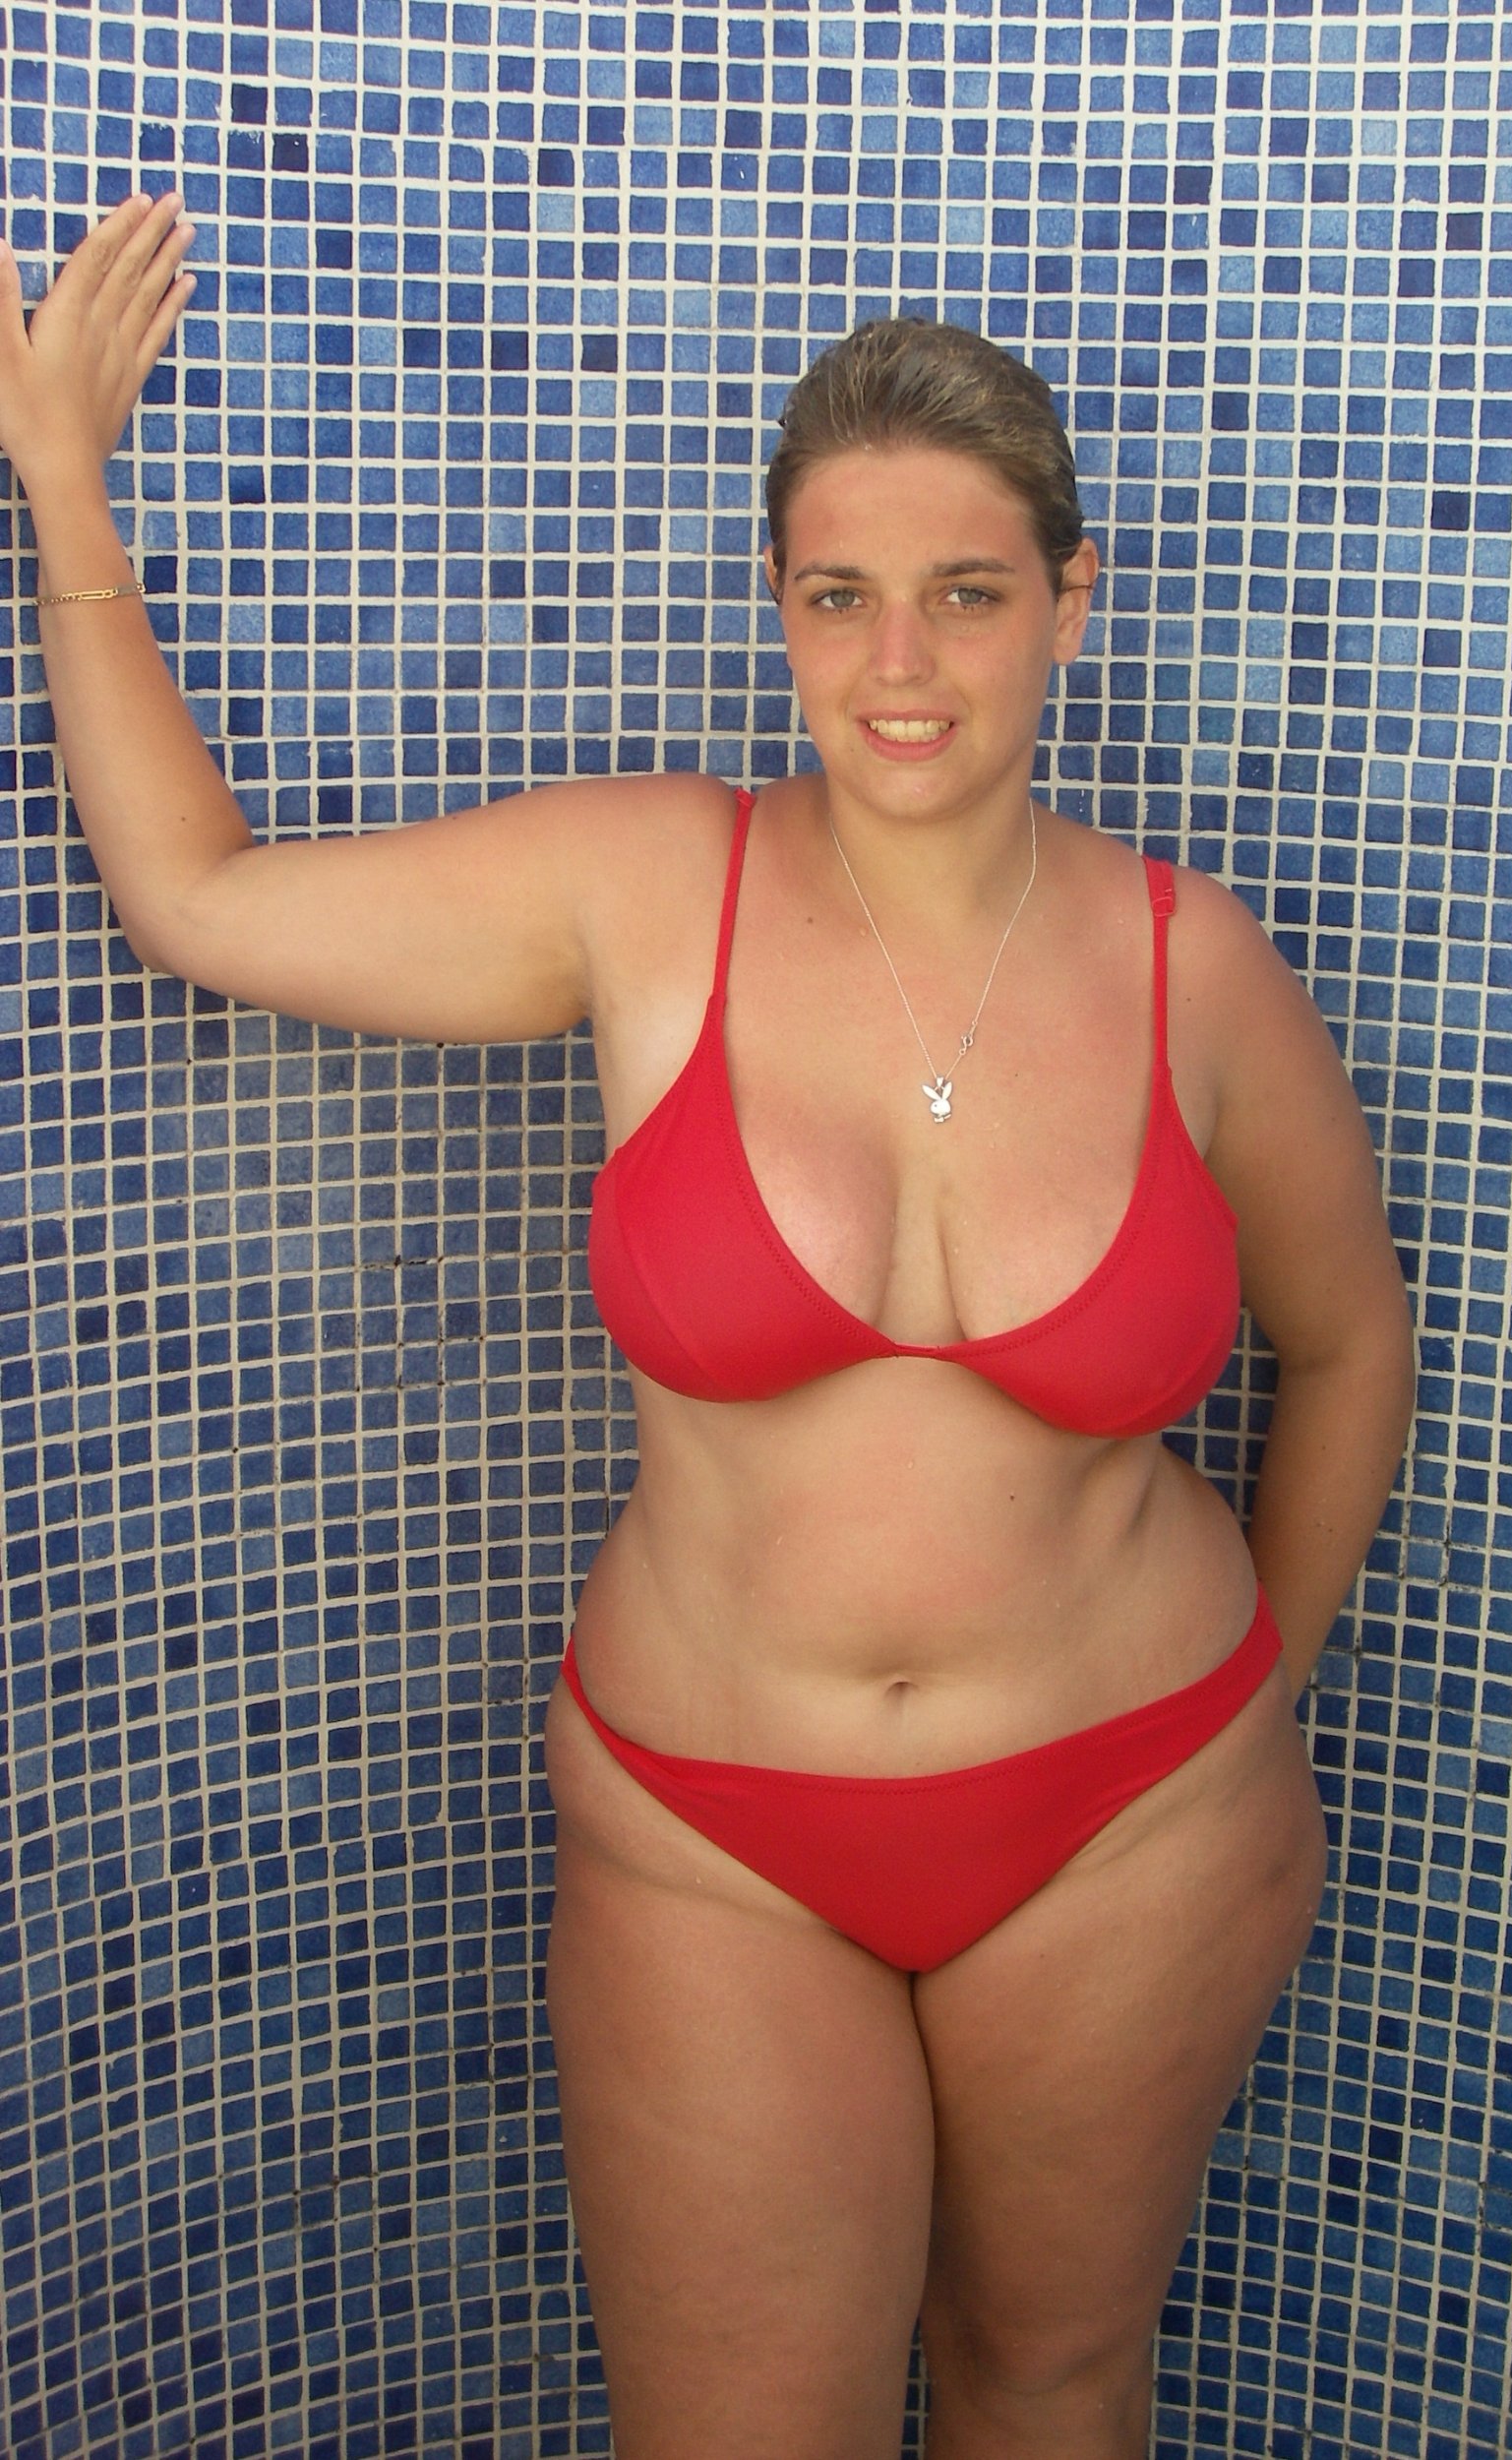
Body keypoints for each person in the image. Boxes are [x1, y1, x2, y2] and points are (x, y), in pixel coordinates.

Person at [1, 191, 1416, 2460]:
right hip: (712, 1832)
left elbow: (1346, 1342)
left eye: (966, 591)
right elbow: (201, 896)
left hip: (1135, 1810)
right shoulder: (649, 887)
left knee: (1050, 2377)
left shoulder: (1196, 968)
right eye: (837, 593)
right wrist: (67, 487)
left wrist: (1252, 1694)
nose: (898, 661)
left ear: (1070, 598)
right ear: (778, 606)